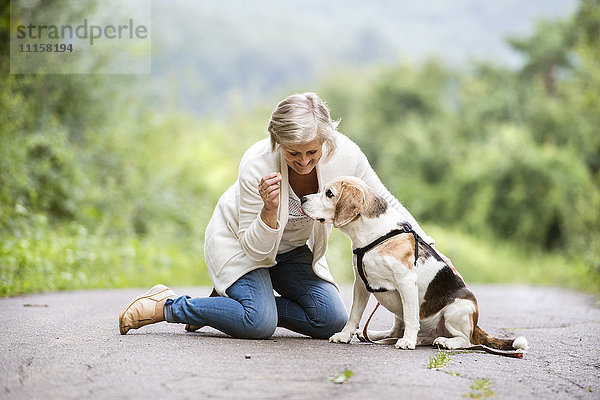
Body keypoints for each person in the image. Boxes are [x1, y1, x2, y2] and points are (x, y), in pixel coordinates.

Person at [118, 92, 451, 340]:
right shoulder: (256, 164)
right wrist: (269, 210)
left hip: (290, 253)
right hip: (240, 245)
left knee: (330, 320)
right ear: (276, 140)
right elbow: (255, 250)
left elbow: (386, 202)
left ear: (326, 139)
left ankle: (229, 307)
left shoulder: (345, 154)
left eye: (312, 151)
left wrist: (429, 251)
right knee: (258, 323)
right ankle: (170, 305)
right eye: (294, 153)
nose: (304, 161)